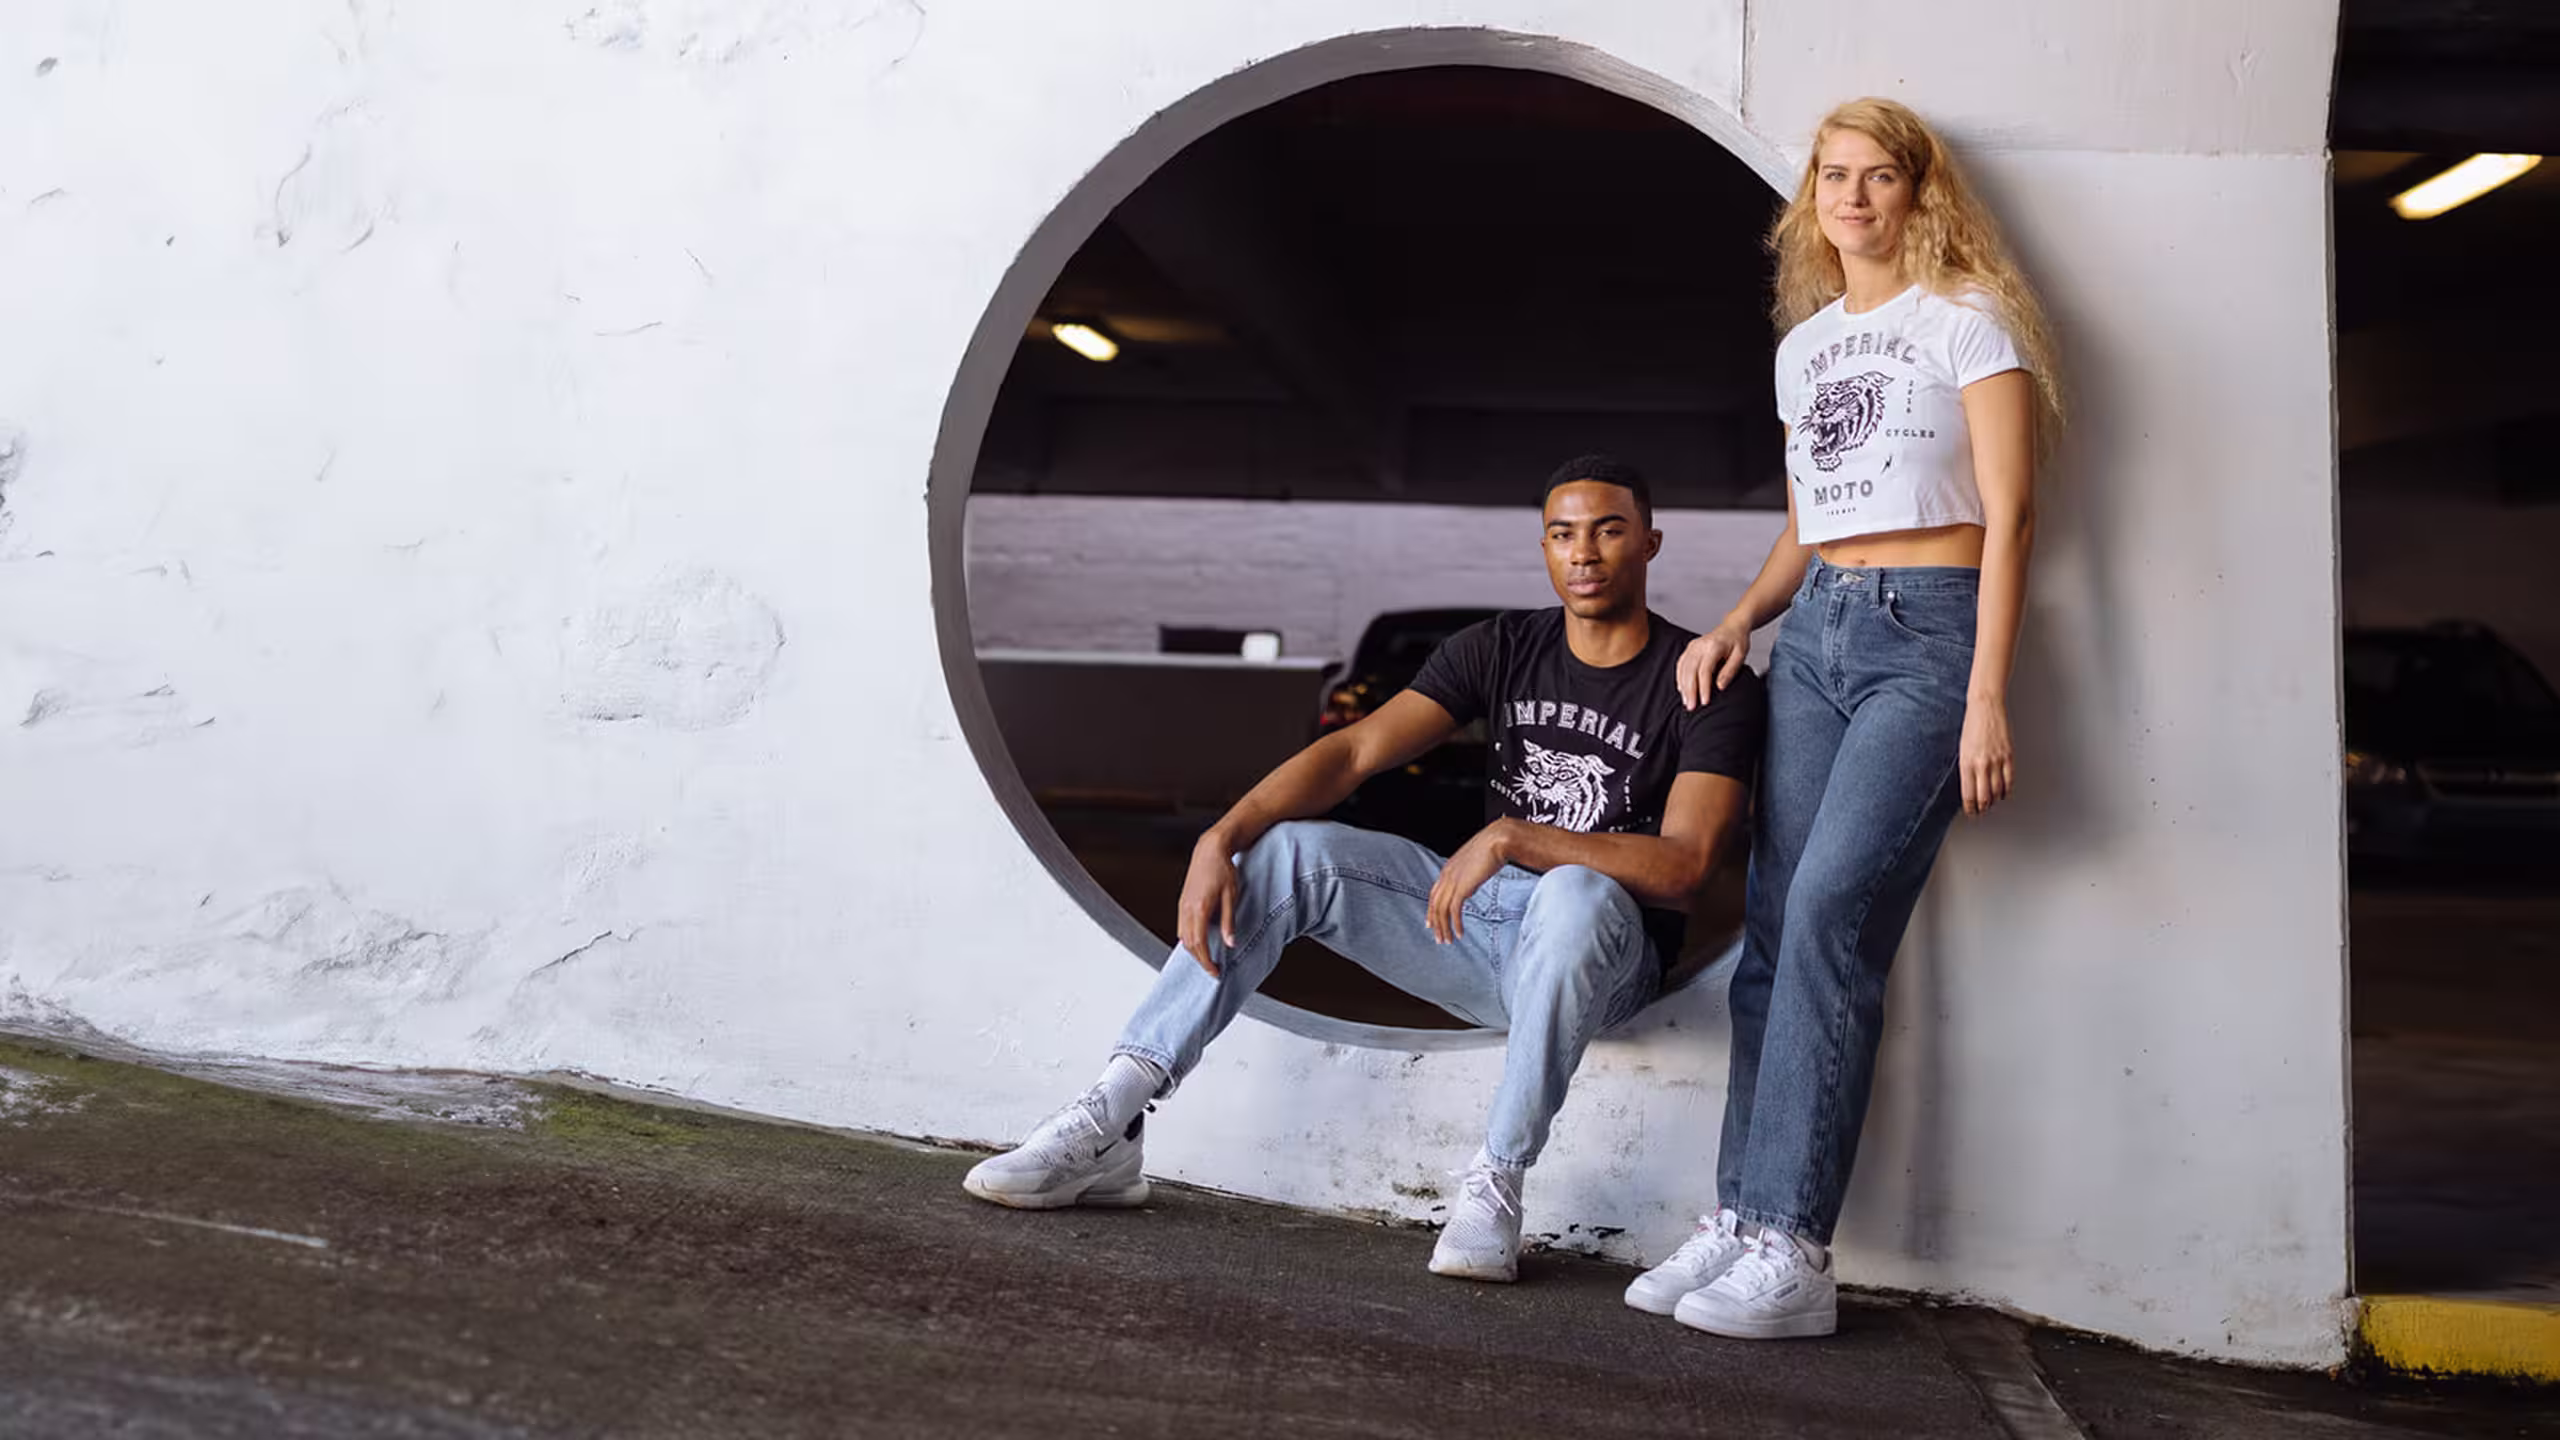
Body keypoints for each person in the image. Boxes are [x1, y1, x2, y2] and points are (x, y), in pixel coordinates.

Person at [965, 456, 1768, 1284]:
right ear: (1545, 548)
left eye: (1608, 530)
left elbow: (1683, 866)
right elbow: (1353, 752)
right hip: (1481, 935)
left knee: (1574, 889)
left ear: (1649, 543)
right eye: (1564, 534)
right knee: (1287, 852)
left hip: (1604, 956)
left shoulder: (1703, 680)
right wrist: (1222, 835)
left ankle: (1496, 1181)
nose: (1585, 552)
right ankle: (1114, 1119)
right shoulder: (1501, 647)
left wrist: (1515, 836)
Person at [1621, 98, 2061, 1339]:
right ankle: (1741, 1215)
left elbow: (2012, 519)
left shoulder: (1969, 322)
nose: (1853, 199)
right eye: (1833, 177)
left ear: (1921, 195)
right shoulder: (1804, 348)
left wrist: (1986, 693)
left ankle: (1799, 1252)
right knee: (1770, 924)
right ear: (1808, 199)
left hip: (1928, 635)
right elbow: (1812, 520)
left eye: (1878, 178)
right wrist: (1735, 622)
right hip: (1814, 633)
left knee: (1828, 916)